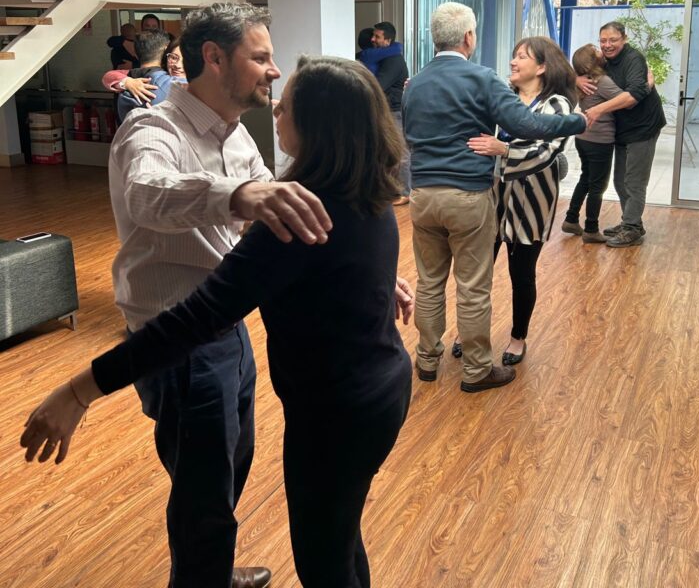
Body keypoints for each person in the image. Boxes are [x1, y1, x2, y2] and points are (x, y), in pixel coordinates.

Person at [21, 55, 414, 588]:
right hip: (377, 391)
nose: (276, 106)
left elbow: (194, 319)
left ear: (318, 125)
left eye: (287, 104)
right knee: (339, 537)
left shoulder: (295, 220)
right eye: (263, 60)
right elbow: (152, 192)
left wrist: (79, 390)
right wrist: (366, 284)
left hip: (336, 413)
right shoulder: (362, 188)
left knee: (324, 557)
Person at [402, 2, 587, 392]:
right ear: (468, 37)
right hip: (467, 196)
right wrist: (578, 120)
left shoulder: (414, 83)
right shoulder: (482, 78)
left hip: (422, 195)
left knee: (429, 282)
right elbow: (526, 124)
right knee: (473, 287)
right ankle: (476, 370)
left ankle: (427, 361)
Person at [464, 36, 579, 366]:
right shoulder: (504, 97)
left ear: (542, 66)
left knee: (522, 273)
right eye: (514, 56)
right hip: (493, 196)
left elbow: (547, 152)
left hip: (532, 202)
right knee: (478, 270)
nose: (513, 62)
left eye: (522, 57)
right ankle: (469, 332)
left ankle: (518, 337)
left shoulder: (557, 104)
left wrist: (504, 150)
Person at [582, 21, 666, 248]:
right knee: (620, 180)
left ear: (624, 39)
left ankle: (631, 228)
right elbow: (575, 66)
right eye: (603, 41)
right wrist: (577, 79)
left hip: (643, 127)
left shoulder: (633, 59)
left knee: (634, 181)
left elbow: (633, 97)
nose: (607, 45)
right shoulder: (604, 60)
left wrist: (598, 109)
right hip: (622, 129)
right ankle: (632, 222)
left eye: (613, 40)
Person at [561, 44, 624, 243]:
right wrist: (647, 84)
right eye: (596, 50)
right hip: (600, 140)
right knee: (598, 186)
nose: (601, 50)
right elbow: (626, 98)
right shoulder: (601, 81)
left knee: (586, 179)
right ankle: (591, 229)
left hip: (583, 137)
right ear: (592, 61)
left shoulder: (580, 81)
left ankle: (571, 219)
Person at [359, 22, 411, 205]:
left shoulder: (393, 60)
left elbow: (379, 85)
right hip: (383, 111)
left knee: (401, 152)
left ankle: (404, 192)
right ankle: (387, 190)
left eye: (377, 37)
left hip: (394, 112)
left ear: (388, 41)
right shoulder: (380, 58)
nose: (372, 39)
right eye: (373, 36)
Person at [115, 30, 187, 123]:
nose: (178, 65)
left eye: (187, 59)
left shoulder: (126, 90)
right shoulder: (181, 87)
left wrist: (124, 82)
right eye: (173, 57)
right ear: (165, 54)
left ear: (135, 54)